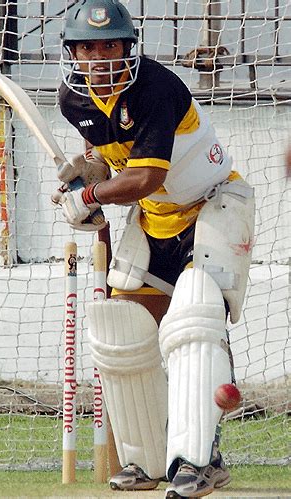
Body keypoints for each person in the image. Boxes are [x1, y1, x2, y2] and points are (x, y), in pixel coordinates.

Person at [53, 1, 255, 497]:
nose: (100, 57)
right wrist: (89, 172)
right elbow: (110, 157)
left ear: (128, 48)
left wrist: (89, 196)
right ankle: (147, 458)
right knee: (122, 329)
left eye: (110, 45)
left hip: (213, 205)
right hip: (156, 219)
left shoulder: (155, 89)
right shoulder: (74, 100)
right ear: (74, 54)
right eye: (88, 47)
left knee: (194, 319)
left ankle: (201, 460)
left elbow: (145, 176)